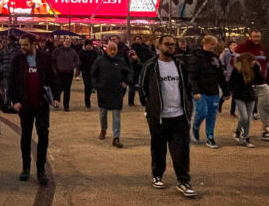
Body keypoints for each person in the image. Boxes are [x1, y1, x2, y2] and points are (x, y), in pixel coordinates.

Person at [137, 35, 196, 197]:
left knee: (181, 150)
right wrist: (149, 105)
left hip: (179, 114)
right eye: (167, 44)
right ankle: (157, 175)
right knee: (158, 147)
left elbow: (188, 85)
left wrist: (188, 105)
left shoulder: (180, 65)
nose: (171, 47)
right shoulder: (151, 65)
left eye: (173, 45)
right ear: (158, 45)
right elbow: (141, 86)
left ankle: (184, 181)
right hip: (159, 116)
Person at [8, 34, 59, 185]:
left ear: (34, 44)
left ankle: (41, 169)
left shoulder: (45, 58)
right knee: (26, 136)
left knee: (43, 135)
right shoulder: (18, 60)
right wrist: (15, 100)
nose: (22, 48)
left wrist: (55, 97)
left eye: (25, 45)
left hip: (42, 103)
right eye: (21, 45)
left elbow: (53, 77)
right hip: (25, 104)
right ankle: (25, 167)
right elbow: (11, 81)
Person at [189, 35, 229, 149]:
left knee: (212, 115)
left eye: (215, 45)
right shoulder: (196, 58)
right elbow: (192, 76)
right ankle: (195, 127)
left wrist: (226, 91)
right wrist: (195, 91)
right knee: (202, 112)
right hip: (200, 92)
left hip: (214, 92)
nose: (213, 47)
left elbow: (221, 76)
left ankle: (210, 137)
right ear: (205, 44)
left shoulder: (215, 59)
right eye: (212, 44)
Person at [91, 42, 130, 148]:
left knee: (116, 115)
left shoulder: (121, 61)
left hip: (117, 92)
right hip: (104, 91)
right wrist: (96, 85)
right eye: (111, 49)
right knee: (103, 113)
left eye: (115, 49)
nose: (113, 52)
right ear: (106, 49)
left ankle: (116, 137)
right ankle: (103, 129)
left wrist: (125, 82)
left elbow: (128, 73)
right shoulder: (100, 60)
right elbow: (93, 74)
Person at [236, 30, 267, 120]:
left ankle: (255, 111)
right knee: (246, 94)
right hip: (245, 76)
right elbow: (235, 61)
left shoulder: (262, 49)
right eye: (255, 37)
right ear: (250, 37)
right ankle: (244, 112)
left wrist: (263, 73)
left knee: (256, 95)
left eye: (258, 37)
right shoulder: (242, 47)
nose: (257, 39)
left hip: (257, 77)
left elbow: (264, 62)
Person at [228, 53, 257, 148]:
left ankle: (246, 138)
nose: (254, 62)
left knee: (248, 117)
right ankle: (238, 130)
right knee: (244, 117)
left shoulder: (254, 70)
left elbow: (259, 80)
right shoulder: (237, 70)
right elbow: (231, 83)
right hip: (239, 96)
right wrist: (228, 93)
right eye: (252, 60)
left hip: (250, 96)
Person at [51, 38, 80, 111]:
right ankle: (56, 101)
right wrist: (54, 70)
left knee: (67, 90)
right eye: (66, 41)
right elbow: (53, 60)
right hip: (59, 72)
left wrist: (73, 65)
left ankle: (66, 106)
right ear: (63, 42)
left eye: (69, 42)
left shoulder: (73, 51)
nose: (67, 43)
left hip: (69, 73)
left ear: (71, 43)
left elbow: (77, 60)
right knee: (58, 88)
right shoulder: (58, 50)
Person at [219, 40, 238, 116]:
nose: (235, 46)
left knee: (235, 94)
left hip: (236, 77)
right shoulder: (226, 54)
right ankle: (219, 104)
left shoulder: (237, 55)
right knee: (227, 94)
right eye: (233, 44)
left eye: (236, 44)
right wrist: (225, 72)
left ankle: (232, 112)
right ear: (229, 46)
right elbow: (221, 64)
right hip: (228, 77)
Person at [78, 40, 99, 110]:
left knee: (91, 87)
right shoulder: (81, 52)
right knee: (87, 87)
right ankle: (87, 104)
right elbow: (79, 61)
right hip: (85, 72)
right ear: (85, 45)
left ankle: (89, 98)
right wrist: (81, 68)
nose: (89, 46)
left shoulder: (95, 52)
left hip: (93, 73)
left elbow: (97, 61)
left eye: (90, 45)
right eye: (87, 45)